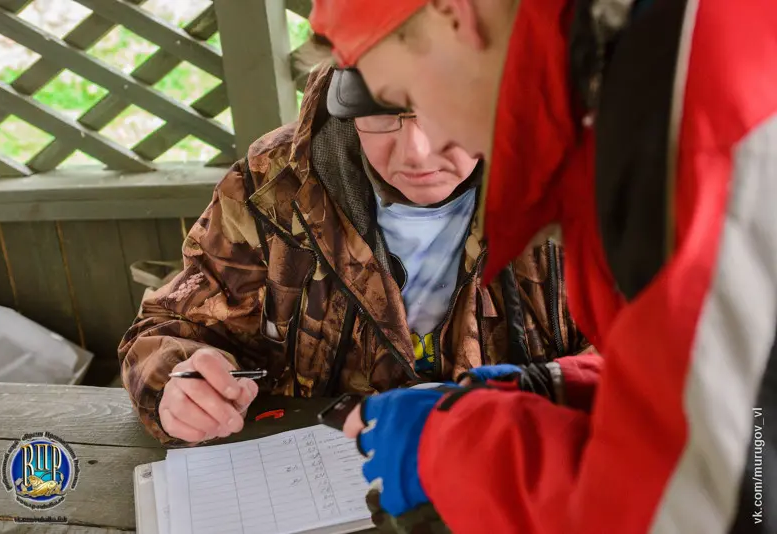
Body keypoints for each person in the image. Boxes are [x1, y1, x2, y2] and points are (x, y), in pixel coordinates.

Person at [310, 0, 777, 532]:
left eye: (409, 98)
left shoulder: (689, 120)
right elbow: (736, 384)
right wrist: (560, 387)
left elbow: (717, 507)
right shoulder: (635, 77)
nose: (427, 144)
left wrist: (451, 453)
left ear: (453, 12)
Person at [118, 65, 592, 448]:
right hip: (312, 481)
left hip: (523, 478)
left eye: (446, 112)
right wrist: (177, 381)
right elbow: (167, 330)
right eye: (383, 114)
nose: (417, 153)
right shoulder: (275, 185)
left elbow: (651, 351)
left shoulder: (577, 183)